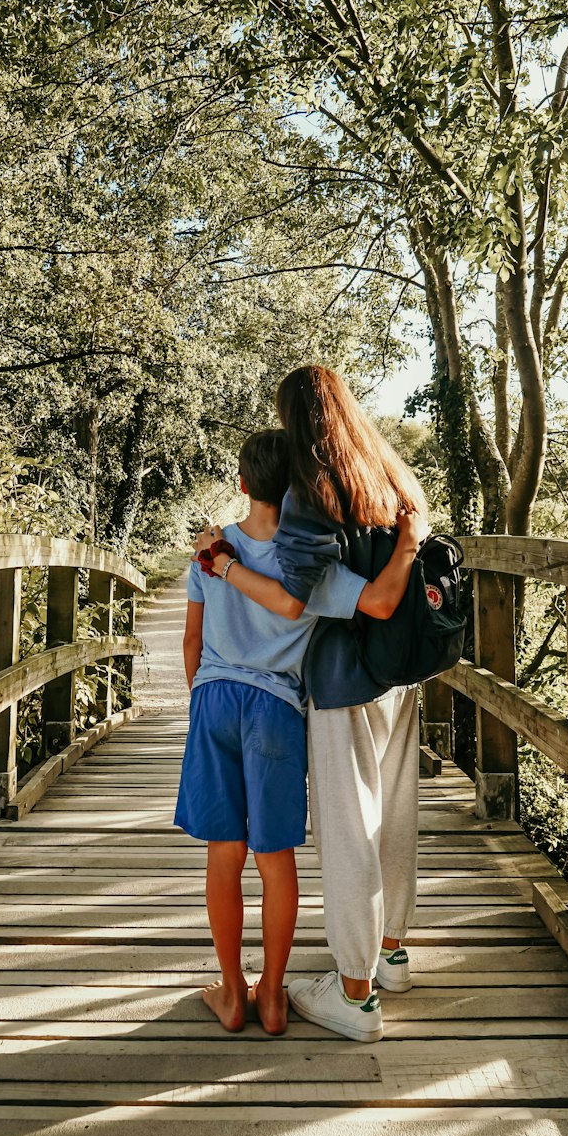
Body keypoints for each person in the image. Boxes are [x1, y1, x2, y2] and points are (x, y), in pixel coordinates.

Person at [195, 366, 431, 1044]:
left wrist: (226, 568)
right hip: (402, 672)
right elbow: (393, 582)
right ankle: (390, 955)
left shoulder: (312, 491)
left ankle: (355, 996)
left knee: (347, 826)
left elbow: (298, 599)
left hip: (345, 678)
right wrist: (410, 546)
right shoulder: (387, 474)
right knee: (394, 812)